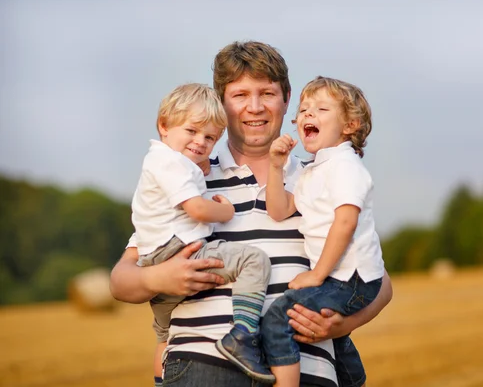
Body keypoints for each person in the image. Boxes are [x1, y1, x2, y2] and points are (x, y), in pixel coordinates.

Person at [110, 41, 393, 387]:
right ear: (221, 104)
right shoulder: (188, 175)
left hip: (308, 370)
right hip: (205, 365)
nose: (255, 107)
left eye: (267, 93)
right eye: (240, 95)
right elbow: (120, 280)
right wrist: (159, 279)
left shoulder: (321, 175)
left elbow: (378, 279)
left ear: (287, 99)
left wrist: (344, 324)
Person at [130, 83, 275, 383]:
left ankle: (162, 379)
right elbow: (197, 209)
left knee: (164, 335)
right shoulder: (170, 163)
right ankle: (243, 337)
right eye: (192, 131)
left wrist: (198, 169)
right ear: (164, 126)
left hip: (155, 261)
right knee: (254, 262)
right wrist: (226, 211)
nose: (201, 142)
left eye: (210, 138)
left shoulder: (165, 162)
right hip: (180, 251)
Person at [262, 76, 385, 387]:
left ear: (350, 125)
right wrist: (276, 168)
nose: (308, 115)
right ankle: (352, 379)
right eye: (303, 110)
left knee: (278, 319)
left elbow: (346, 222)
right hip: (339, 276)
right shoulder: (312, 170)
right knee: (325, 328)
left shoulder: (345, 166)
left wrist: (316, 275)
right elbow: (279, 210)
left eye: (321, 109)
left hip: (353, 277)